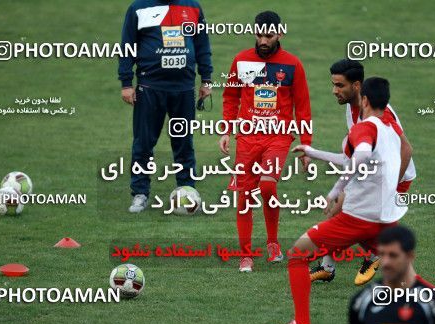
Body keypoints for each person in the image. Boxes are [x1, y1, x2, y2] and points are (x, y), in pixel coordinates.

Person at [268, 77, 408, 324]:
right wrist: (312, 150)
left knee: (297, 254)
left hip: (358, 217)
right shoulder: (390, 129)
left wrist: (334, 191)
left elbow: (361, 155)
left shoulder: (363, 128)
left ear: (363, 99)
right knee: (403, 274)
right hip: (384, 215)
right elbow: (351, 159)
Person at [219, 11, 312, 272]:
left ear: (280, 34)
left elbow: (303, 107)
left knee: (268, 187)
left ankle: (273, 243)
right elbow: (230, 97)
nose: (263, 40)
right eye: (259, 35)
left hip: (278, 136)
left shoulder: (293, 65)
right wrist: (226, 130)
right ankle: (246, 255)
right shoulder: (241, 60)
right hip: (247, 137)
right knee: (244, 196)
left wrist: (306, 144)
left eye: (268, 36)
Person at [119, 0, 213, 213]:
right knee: (143, 143)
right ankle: (140, 194)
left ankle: (187, 189)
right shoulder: (138, 8)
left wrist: (206, 79)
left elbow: (202, 45)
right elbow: (127, 46)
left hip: (184, 89)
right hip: (150, 87)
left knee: (184, 142)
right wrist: (126, 83)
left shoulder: (193, 7)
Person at [349, 226, 435, 324]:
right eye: (382, 254)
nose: (385, 262)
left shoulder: (433, 305)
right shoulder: (361, 301)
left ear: (410, 256)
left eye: (393, 255)